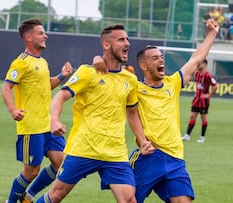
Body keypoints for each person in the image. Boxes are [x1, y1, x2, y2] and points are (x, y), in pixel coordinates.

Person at [36, 24, 154, 203]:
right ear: (106, 45)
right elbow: (60, 96)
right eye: (121, 39)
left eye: (127, 39)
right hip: (84, 148)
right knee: (56, 195)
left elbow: (132, 113)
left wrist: (143, 140)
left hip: (115, 153)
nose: (127, 43)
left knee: (129, 200)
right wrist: (54, 120)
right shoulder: (87, 72)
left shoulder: (130, 79)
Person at [128, 19, 219, 203]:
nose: (161, 59)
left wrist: (212, 33)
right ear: (144, 66)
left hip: (175, 158)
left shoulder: (173, 82)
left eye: (161, 56)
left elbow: (196, 59)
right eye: (155, 58)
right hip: (149, 156)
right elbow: (131, 114)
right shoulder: (134, 88)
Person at [1, 18, 73, 203]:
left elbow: (46, 85)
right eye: (40, 33)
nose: (45, 35)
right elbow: (6, 87)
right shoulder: (21, 62)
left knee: (62, 165)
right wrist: (13, 110)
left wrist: (62, 76)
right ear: (28, 37)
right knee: (31, 171)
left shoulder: (42, 62)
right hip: (31, 126)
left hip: (48, 124)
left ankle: (28, 198)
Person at [182, 59, 218, 143]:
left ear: (205, 65)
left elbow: (215, 86)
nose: (198, 65)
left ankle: (202, 137)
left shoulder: (208, 75)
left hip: (204, 101)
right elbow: (198, 85)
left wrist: (208, 95)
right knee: (192, 116)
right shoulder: (197, 74)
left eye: (200, 63)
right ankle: (187, 135)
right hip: (196, 100)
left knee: (203, 118)